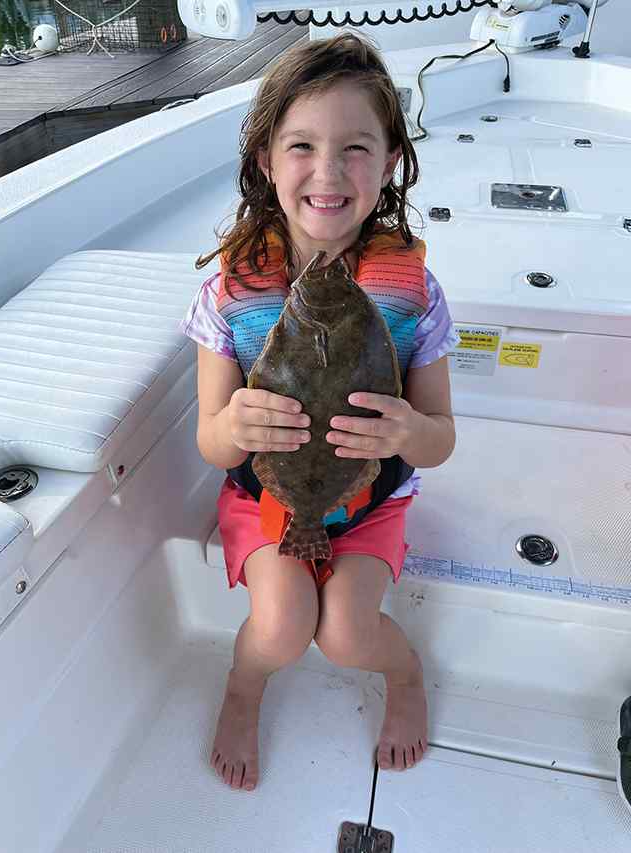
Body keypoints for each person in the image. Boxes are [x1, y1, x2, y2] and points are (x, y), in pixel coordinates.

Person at [180, 32, 459, 793]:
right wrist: (234, 427)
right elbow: (212, 441)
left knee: (344, 633)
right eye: (302, 144)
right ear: (267, 160)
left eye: (357, 147)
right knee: (279, 626)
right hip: (271, 498)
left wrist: (408, 431)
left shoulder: (415, 296)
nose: (329, 172)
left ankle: (403, 676)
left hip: (370, 504)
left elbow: (439, 439)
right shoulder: (227, 296)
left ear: (392, 159)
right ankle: (245, 685)